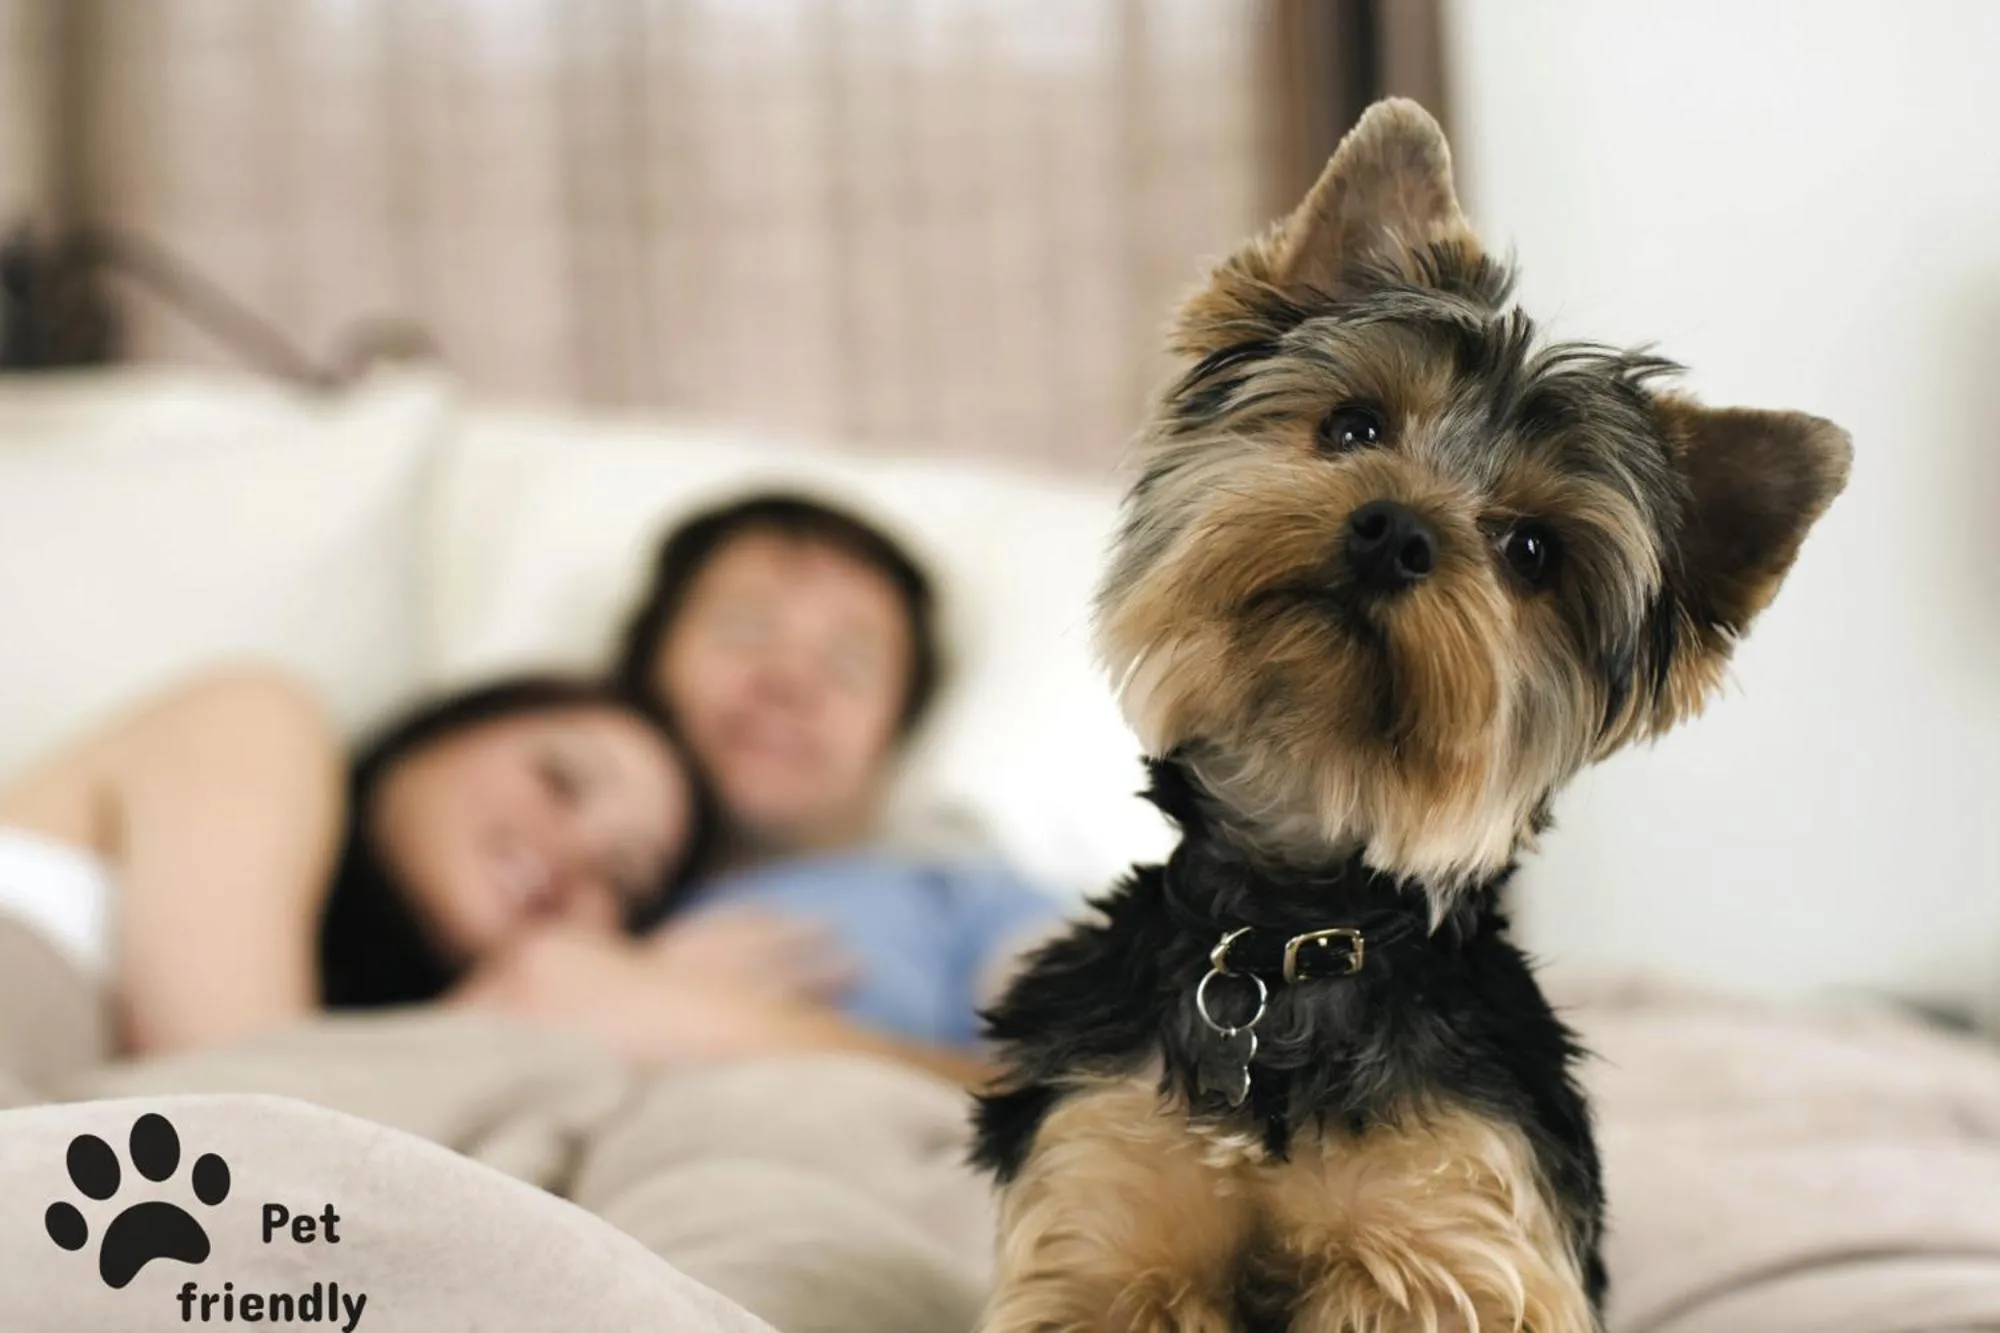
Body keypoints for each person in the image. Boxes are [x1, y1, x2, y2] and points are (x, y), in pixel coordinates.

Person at [0, 668, 851, 1061]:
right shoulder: (258, 722)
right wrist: (518, 1010)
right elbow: (237, 1124)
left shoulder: (374, 1049)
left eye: (621, 880)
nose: (572, 855)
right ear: (435, 735)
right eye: (560, 778)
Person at [614, 493, 1067, 1084]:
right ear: (647, 659)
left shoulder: (960, 894)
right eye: (744, 630)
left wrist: (688, 1017)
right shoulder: (556, 874)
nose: (791, 678)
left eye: (849, 664)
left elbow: (1109, 1075)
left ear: (892, 739)